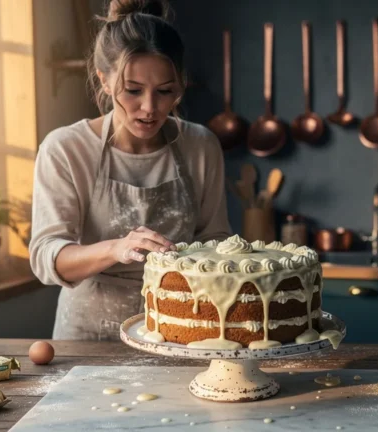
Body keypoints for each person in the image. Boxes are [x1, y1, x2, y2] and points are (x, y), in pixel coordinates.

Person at [28, 0, 231, 341]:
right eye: (133, 91)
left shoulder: (201, 146)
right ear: (104, 81)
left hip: (179, 329)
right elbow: (47, 256)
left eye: (165, 92)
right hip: (87, 336)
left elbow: (216, 240)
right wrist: (115, 249)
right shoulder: (65, 148)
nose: (149, 108)